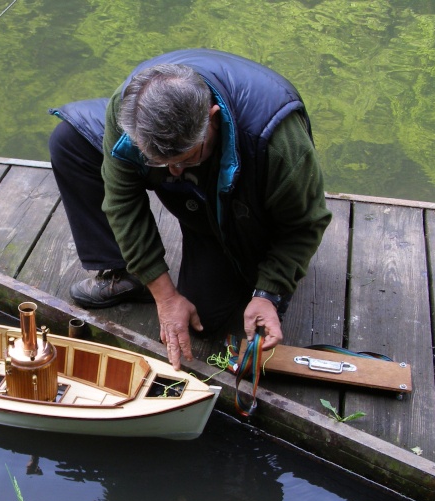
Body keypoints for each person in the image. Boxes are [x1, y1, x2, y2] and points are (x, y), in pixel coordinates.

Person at [48, 48, 331, 370]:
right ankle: (129, 272)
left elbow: (305, 224)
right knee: (71, 138)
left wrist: (270, 292)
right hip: (193, 181)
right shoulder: (127, 110)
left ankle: (231, 245)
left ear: (212, 118)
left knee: (206, 317)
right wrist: (164, 294)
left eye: (186, 159)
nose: (175, 173)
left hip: (241, 195)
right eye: (160, 162)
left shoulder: (277, 139)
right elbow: (122, 200)